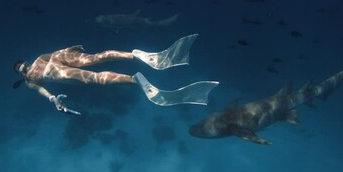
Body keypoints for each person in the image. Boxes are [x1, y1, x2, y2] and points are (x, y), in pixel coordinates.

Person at [14, 34, 219, 115]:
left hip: (56, 66)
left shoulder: (38, 62)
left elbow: (54, 54)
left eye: (23, 64)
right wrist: (53, 99)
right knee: (97, 62)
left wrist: (71, 48)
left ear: (26, 62)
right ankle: (135, 56)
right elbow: (43, 91)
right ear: (21, 73)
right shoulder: (29, 81)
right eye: (21, 69)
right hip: (55, 67)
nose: (24, 68)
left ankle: (134, 69)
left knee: (95, 70)